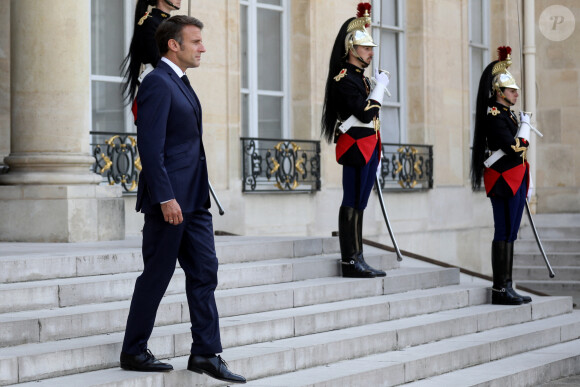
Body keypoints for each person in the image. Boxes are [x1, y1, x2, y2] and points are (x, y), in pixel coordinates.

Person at [119, 15, 246, 384]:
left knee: (205, 273)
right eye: (196, 41)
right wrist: (165, 198)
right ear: (173, 44)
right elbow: (150, 147)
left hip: (195, 201)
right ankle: (133, 350)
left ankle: (206, 352)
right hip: (171, 203)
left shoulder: (182, 82)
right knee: (156, 277)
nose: (202, 47)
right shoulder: (157, 83)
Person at [321, 2, 389, 279]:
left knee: (360, 201)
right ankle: (350, 260)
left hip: (368, 145)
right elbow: (364, 112)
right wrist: (381, 89)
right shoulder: (344, 79)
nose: (371, 53)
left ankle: (358, 255)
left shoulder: (360, 79)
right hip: (354, 146)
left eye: (371, 48)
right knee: (352, 200)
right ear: (352, 49)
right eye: (366, 48)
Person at [471, 46, 533, 306]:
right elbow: (512, 146)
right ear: (499, 92)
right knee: (504, 230)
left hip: (514, 178)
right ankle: (499, 288)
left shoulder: (507, 113)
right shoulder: (494, 114)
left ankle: (507, 285)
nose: (516, 93)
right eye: (511, 90)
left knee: (511, 233)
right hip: (502, 178)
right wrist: (525, 132)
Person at [121, 0, 182, 105]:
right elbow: (156, 59)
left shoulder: (173, 25)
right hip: (157, 82)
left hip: (171, 81)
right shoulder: (150, 22)